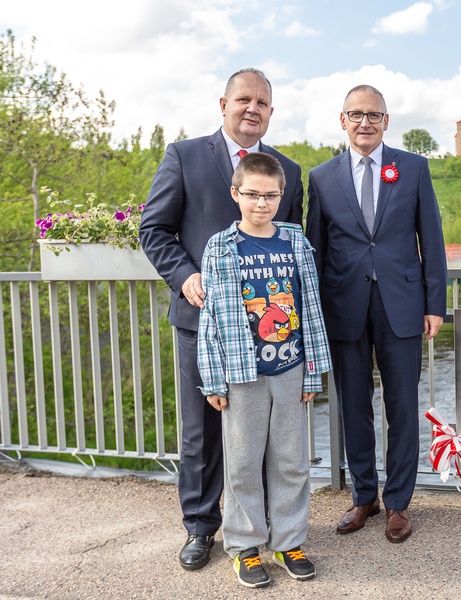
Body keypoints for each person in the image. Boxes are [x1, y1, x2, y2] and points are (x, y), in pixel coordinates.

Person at [139, 68, 304, 571]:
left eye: (262, 102)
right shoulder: (185, 156)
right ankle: (200, 527)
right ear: (223, 104)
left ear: (271, 113)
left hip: (269, 333)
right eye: (243, 100)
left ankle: (271, 530)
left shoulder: (288, 172)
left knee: (272, 437)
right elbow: (155, 229)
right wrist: (185, 276)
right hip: (201, 322)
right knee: (203, 433)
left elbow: (291, 243)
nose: (252, 108)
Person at [305, 84, 447, 543]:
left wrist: (434, 304)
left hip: (403, 306)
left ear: (386, 121)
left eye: (373, 114)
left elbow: (432, 239)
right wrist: (318, 313)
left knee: (402, 406)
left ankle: (399, 502)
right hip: (344, 307)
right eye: (356, 114)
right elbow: (316, 250)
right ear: (341, 120)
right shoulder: (322, 177)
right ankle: (363, 495)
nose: (364, 122)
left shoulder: (413, 168)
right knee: (353, 404)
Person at [198, 153, 331, 588]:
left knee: (291, 461)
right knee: (242, 463)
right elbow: (211, 317)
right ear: (236, 194)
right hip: (241, 374)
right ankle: (245, 546)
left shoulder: (295, 242)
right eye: (252, 194)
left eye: (270, 195)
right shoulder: (220, 246)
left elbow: (310, 308)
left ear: (283, 195)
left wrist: (313, 371)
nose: (261, 203)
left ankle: (289, 540)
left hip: (290, 368)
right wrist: (213, 378)